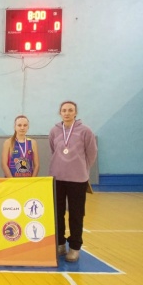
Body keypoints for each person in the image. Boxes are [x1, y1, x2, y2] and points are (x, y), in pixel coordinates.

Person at [49, 101, 97, 262]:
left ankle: (75, 247)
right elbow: (53, 150)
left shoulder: (85, 131)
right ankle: (60, 243)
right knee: (57, 213)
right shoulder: (54, 130)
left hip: (77, 180)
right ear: (60, 113)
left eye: (70, 110)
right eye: (64, 110)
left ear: (75, 113)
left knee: (76, 214)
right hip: (57, 179)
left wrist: (81, 168)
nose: (67, 113)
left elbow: (91, 153)